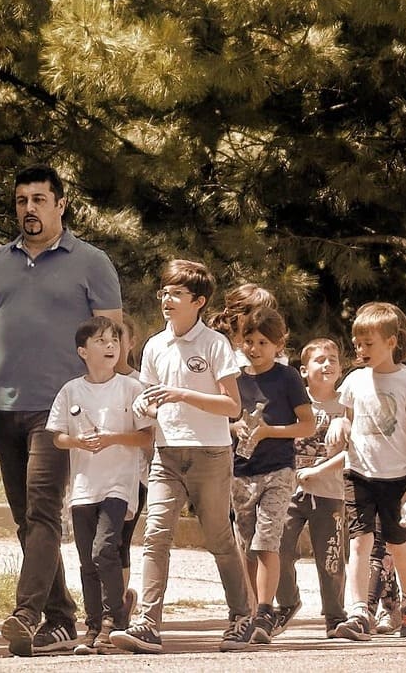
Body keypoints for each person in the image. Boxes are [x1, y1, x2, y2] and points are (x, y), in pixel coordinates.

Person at [0, 165, 123, 656]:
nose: (29, 209)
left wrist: (109, 398)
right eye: (22, 200)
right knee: (25, 517)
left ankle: (27, 612)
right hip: (5, 405)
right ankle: (61, 617)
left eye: (40, 199)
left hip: (64, 407)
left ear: (61, 205)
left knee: (42, 509)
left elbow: (113, 337)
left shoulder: (91, 261)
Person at [111, 260, 253, 654]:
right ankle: (147, 623)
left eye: (176, 294)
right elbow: (147, 397)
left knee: (220, 538)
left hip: (210, 453)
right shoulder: (155, 345)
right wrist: (149, 407)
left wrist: (181, 394)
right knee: (155, 535)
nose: (167, 300)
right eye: (164, 293)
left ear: (199, 301)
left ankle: (242, 616)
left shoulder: (214, 345)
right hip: (166, 453)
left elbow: (232, 407)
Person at [47, 317, 153, 655]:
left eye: (114, 340)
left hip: (120, 484)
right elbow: (59, 437)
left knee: (104, 550)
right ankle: (92, 626)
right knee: (86, 559)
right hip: (83, 488)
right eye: (101, 341)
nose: (111, 346)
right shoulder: (70, 390)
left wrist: (111, 439)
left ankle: (113, 620)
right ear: (82, 351)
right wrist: (77, 441)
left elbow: (146, 435)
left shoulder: (131, 388)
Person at [329, 302, 406, 641]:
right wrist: (339, 424)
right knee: (359, 542)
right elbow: (346, 416)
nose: (360, 350)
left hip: (396, 478)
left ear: (391, 341)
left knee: (398, 545)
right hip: (358, 473)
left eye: (368, 343)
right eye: (357, 343)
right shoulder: (354, 380)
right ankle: (359, 612)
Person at [230, 308, 315, 642]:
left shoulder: (287, 377)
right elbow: (225, 416)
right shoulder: (234, 378)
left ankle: (267, 609)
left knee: (267, 540)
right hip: (240, 472)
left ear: (278, 344)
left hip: (278, 469)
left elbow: (307, 424)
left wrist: (269, 432)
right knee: (246, 542)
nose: (254, 348)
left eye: (263, 342)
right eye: (248, 340)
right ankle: (249, 608)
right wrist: (234, 425)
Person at [277, 338, 350, 637]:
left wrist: (317, 470)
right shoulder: (293, 402)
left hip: (331, 492)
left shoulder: (348, 404)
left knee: (330, 557)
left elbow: (354, 450)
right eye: (320, 360)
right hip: (290, 492)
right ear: (304, 371)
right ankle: (287, 601)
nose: (328, 364)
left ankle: (335, 615)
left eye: (333, 359)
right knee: (278, 548)